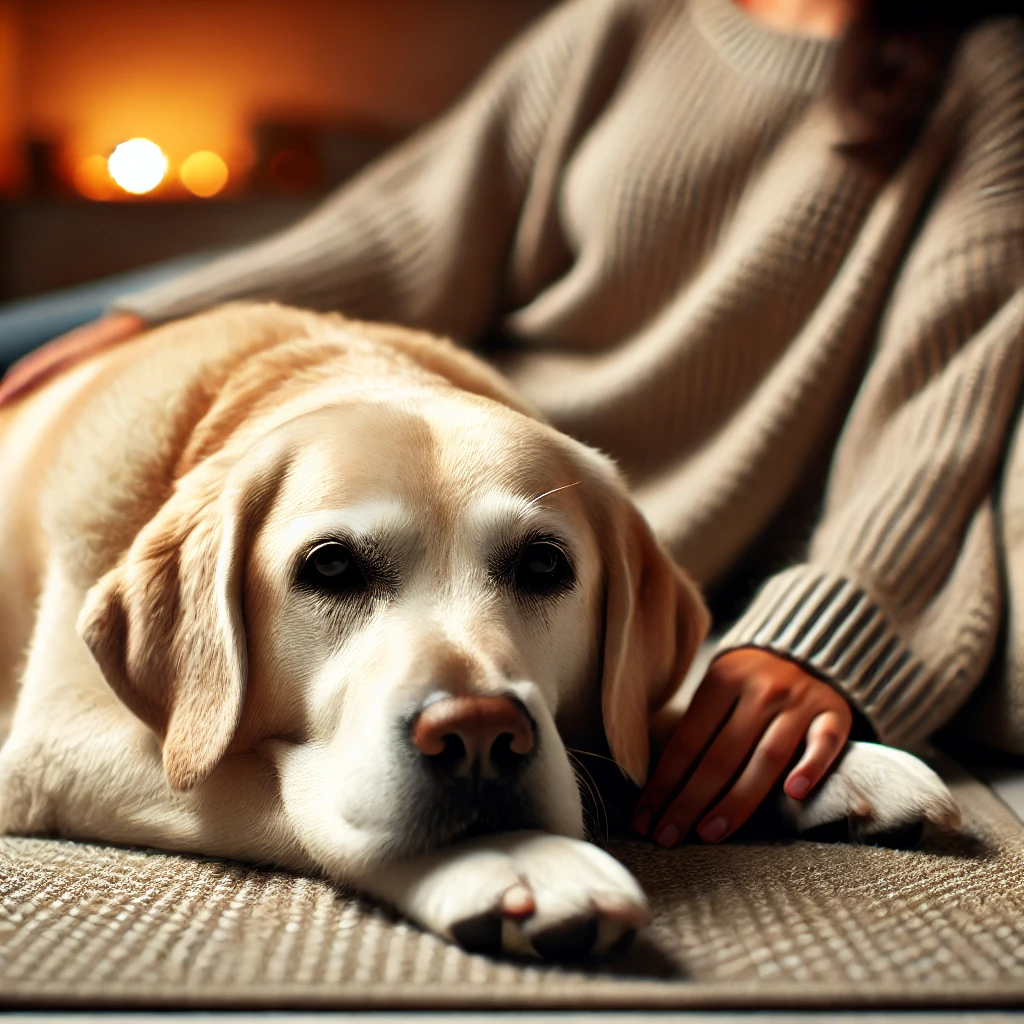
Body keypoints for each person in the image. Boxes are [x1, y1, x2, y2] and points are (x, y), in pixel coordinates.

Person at [2, 0, 1022, 848]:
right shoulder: (629, 20)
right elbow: (408, 231)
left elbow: (946, 391)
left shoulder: (990, 77)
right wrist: (162, 320)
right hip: (405, 418)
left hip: (560, 510)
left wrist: (822, 635)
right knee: (35, 341)